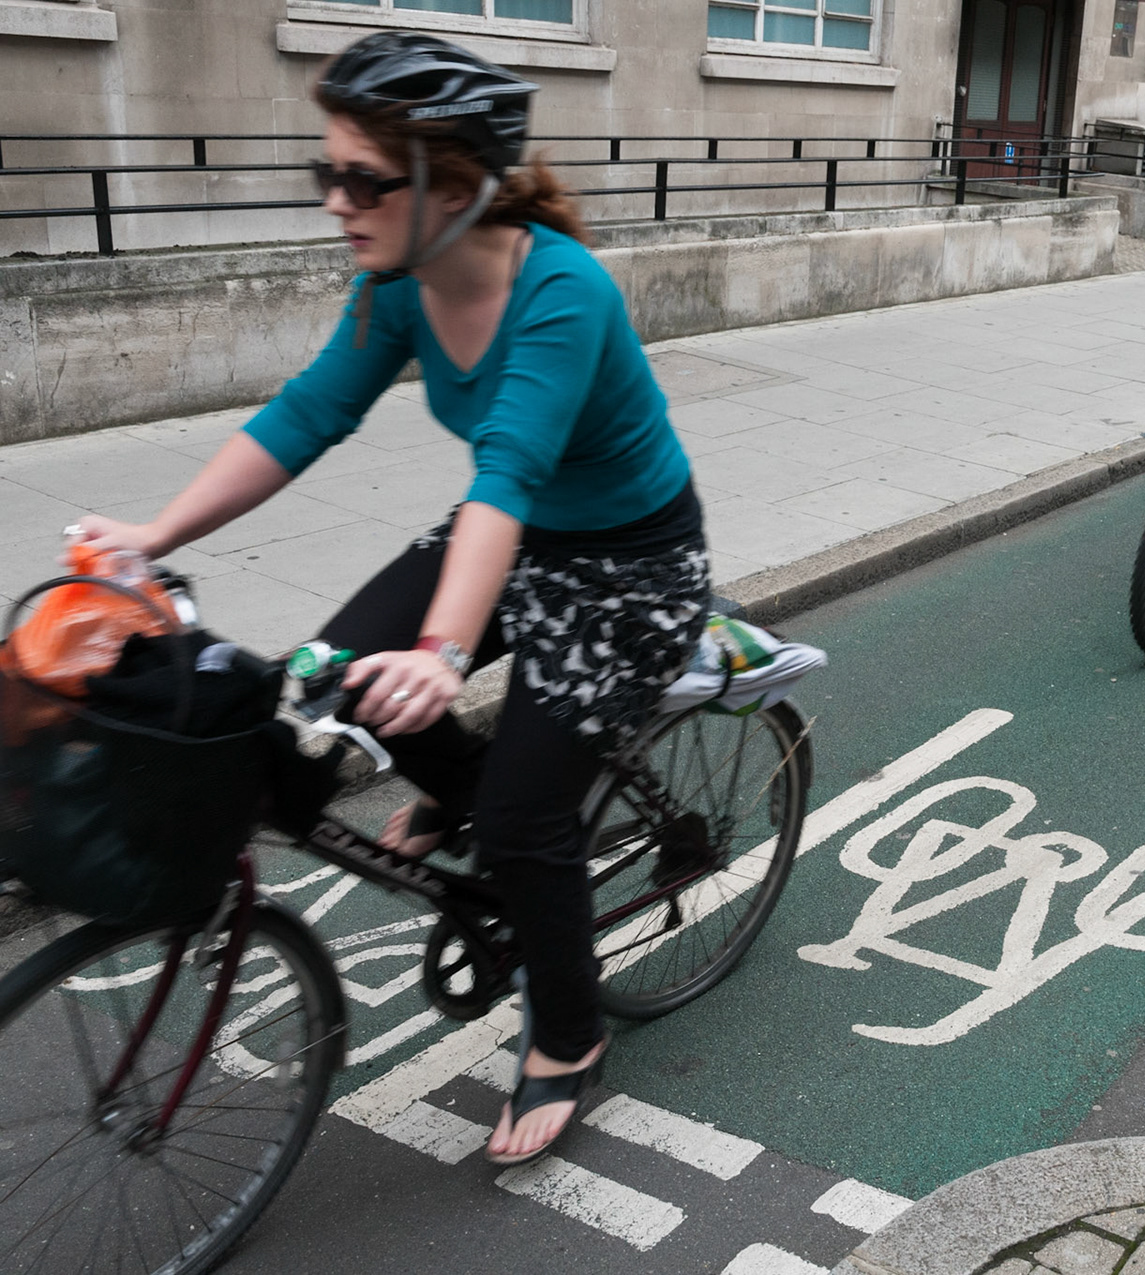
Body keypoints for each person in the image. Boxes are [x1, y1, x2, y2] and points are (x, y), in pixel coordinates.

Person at [72, 32, 710, 1167]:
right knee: (330, 687)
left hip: (627, 565)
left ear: (453, 184)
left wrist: (444, 653)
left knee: (524, 817)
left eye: (364, 179)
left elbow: (506, 477)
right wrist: (151, 535)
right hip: (507, 540)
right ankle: (466, 796)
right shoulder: (397, 288)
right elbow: (306, 415)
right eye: (327, 173)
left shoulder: (561, 292)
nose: (336, 202)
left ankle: (567, 1036)